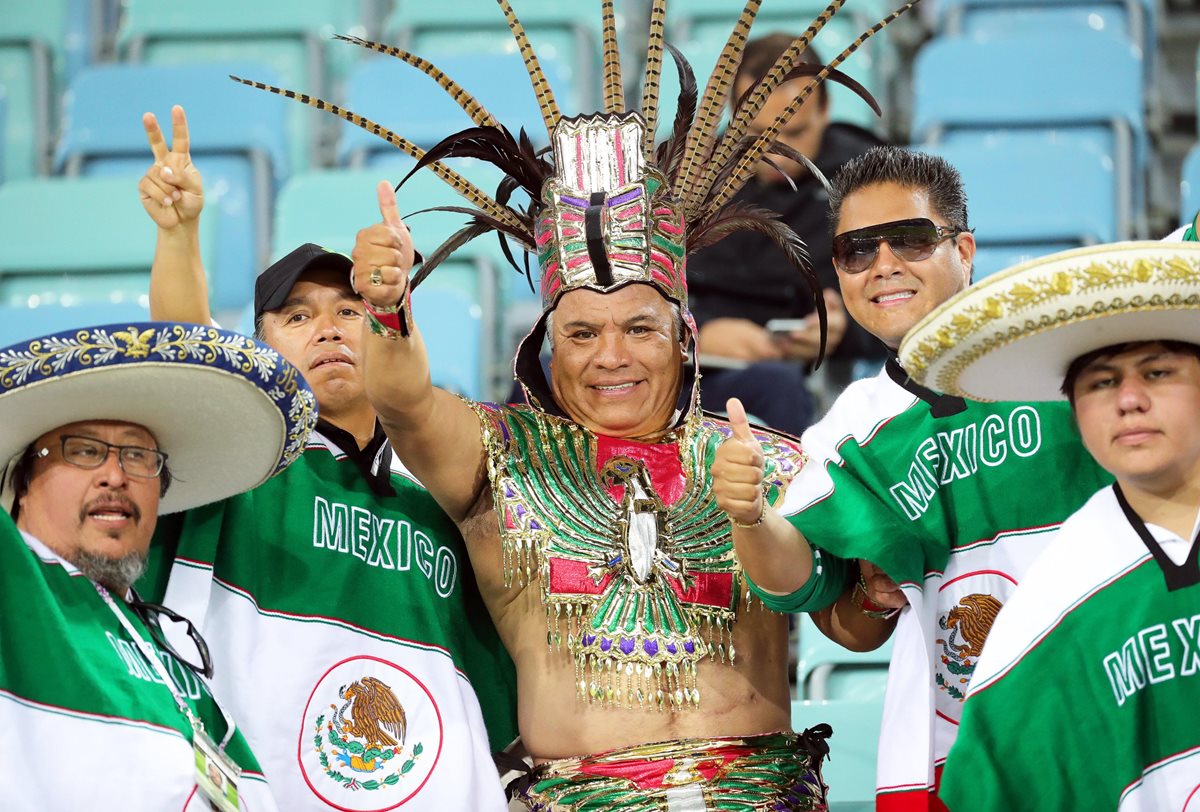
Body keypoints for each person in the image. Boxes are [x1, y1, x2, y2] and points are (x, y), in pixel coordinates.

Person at [233, 1, 916, 807]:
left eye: (638, 328)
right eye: (582, 333)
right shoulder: (498, 458)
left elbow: (851, 623)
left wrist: (877, 577)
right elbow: (405, 401)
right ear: (547, 344)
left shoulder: (769, 459)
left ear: (685, 336)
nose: (611, 357)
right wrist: (386, 307)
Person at [136, 105, 518, 810]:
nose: (329, 330)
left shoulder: (446, 487)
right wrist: (180, 236)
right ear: (260, 343)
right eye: (298, 315)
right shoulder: (240, 462)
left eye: (350, 311)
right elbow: (188, 354)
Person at [713, 146, 1113, 810]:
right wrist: (753, 516)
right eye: (857, 250)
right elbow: (822, 601)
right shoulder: (847, 434)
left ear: (964, 248)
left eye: (911, 240)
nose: (885, 265)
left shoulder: (1064, 361)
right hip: (960, 755)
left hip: (1102, 706)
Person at [897, 240, 1200, 810]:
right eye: (1101, 383)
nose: (1129, 400)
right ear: (1074, 410)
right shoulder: (1053, 601)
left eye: (1158, 373)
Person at [0, 319, 316, 810]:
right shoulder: (14, 584)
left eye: (137, 456)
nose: (114, 475)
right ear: (20, 484)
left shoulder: (173, 655)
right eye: (83, 451)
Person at [687, 34, 885, 435]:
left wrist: (843, 328)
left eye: (794, 134)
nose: (778, 155)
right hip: (682, 365)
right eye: (758, 136)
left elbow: (907, 294)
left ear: (827, 111)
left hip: (789, 375)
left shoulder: (868, 178)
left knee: (780, 388)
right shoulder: (689, 174)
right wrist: (693, 334)